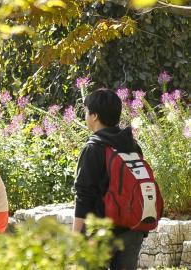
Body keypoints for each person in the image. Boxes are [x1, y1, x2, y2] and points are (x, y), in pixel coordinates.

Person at [72, 89, 145, 270]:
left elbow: (83, 195)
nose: (86, 115)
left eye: (87, 111)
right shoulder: (133, 145)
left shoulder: (93, 148)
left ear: (95, 116)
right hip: (132, 228)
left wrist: (75, 236)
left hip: (101, 231)